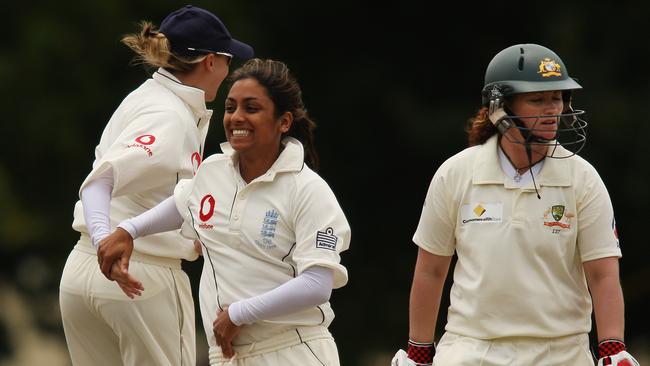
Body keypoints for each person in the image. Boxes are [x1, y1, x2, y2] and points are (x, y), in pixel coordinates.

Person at [391, 44, 639, 366]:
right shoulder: (457, 173)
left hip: (562, 351)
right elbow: (431, 269)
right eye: (537, 99)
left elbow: (602, 274)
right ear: (499, 108)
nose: (553, 109)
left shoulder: (582, 178)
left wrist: (612, 349)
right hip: (471, 349)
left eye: (558, 97)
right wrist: (419, 352)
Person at [97, 58, 351, 366]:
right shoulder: (212, 171)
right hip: (228, 356)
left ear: (284, 122)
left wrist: (238, 313)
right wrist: (129, 231)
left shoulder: (308, 190)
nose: (236, 118)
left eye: (251, 108)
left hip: (293, 351)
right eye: (231, 108)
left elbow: (317, 284)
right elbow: (181, 205)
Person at [59, 5, 253, 366]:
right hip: (139, 273)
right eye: (227, 60)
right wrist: (106, 243)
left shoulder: (145, 98)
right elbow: (99, 182)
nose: (229, 71)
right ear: (210, 61)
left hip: (82, 271)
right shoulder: (170, 115)